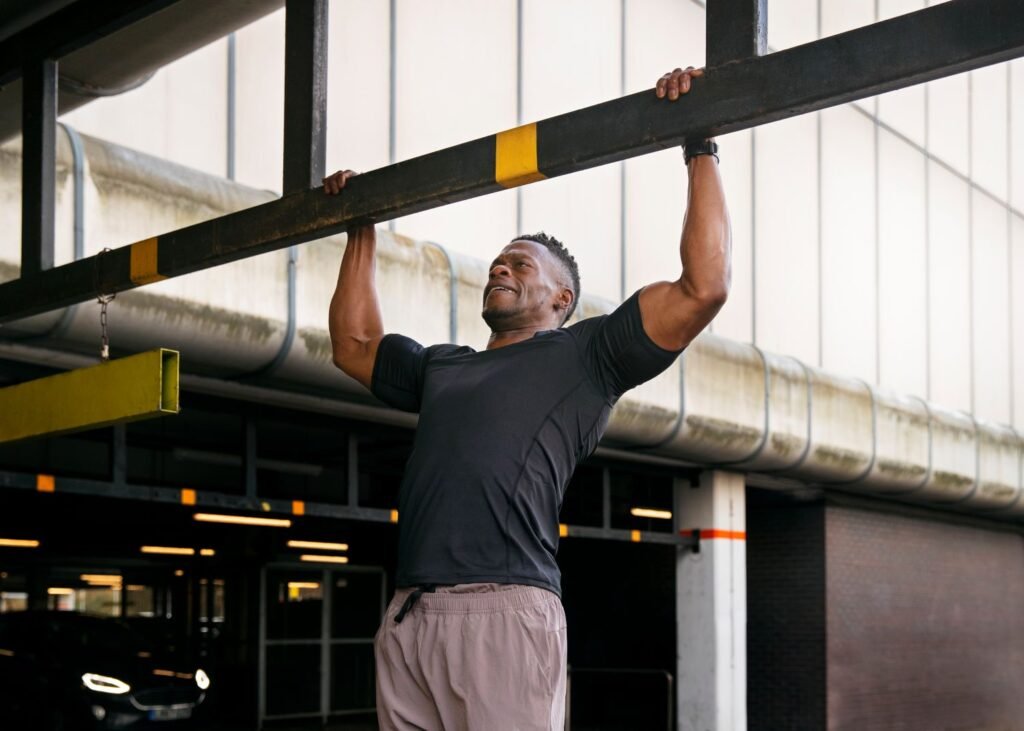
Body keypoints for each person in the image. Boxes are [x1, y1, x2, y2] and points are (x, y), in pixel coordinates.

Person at [324, 66, 729, 731]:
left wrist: (698, 141)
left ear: (561, 298)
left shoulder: (588, 357)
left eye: (520, 263)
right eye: (498, 262)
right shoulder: (442, 367)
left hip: (504, 609)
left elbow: (703, 286)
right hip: (408, 613)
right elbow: (353, 343)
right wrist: (358, 226)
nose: (500, 267)